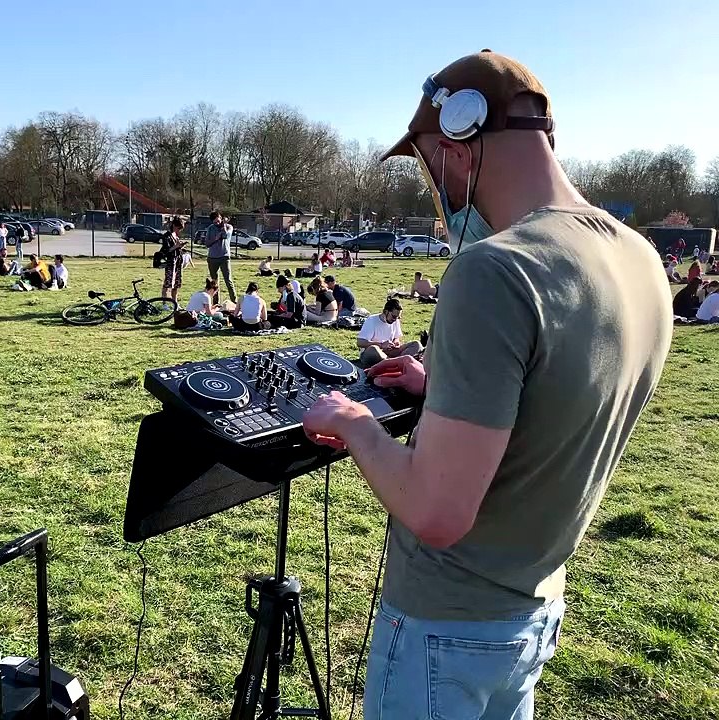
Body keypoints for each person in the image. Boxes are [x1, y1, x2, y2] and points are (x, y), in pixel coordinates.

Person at [301, 51, 671, 720]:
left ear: (459, 143)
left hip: (444, 627)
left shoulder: (492, 271)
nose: (434, 185)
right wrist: (440, 386)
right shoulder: (639, 257)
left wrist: (355, 424)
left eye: (429, 163)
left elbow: (438, 512)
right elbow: (550, 393)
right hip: (530, 612)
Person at [356, 298, 423, 366]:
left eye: (398, 317)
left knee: (416, 344)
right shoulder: (372, 320)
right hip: (374, 353)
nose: (395, 319)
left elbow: (396, 337)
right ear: (385, 311)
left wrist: (396, 342)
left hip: (390, 352)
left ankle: (394, 363)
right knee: (374, 349)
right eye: (393, 316)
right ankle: (397, 363)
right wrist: (381, 345)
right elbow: (360, 342)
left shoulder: (395, 320)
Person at [204, 211, 237, 303]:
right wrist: (215, 238)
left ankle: (234, 302)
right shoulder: (210, 229)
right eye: (215, 222)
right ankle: (215, 303)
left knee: (228, 280)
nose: (217, 224)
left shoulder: (229, 227)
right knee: (214, 282)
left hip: (224, 257)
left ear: (221, 219)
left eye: (218, 221)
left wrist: (223, 227)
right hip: (212, 258)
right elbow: (207, 243)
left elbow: (226, 236)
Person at [161, 217, 186, 305]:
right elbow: (166, 250)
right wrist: (176, 246)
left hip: (178, 261)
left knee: (176, 284)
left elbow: (176, 248)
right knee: (168, 284)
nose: (179, 230)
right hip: (171, 263)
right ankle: (164, 303)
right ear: (174, 225)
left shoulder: (175, 235)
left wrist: (180, 247)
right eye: (179, 228)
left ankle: (175, 303)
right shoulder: (166, 236)